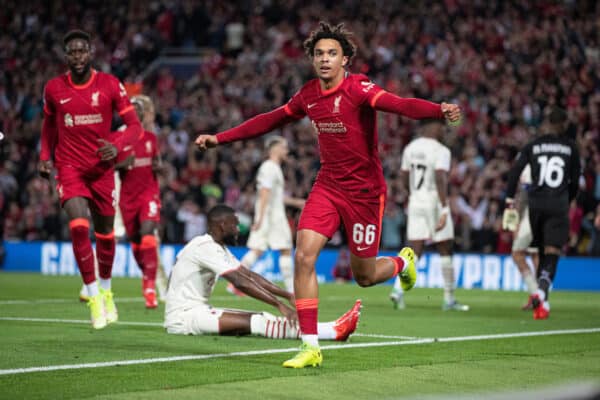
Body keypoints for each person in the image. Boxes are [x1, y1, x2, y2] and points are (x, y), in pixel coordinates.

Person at [195, 22, 461, 368]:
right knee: (304, 256)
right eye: (319, 53)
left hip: (364, 193)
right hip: (328, 186)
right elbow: (269, 120)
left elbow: (398, 105)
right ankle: (310, 346)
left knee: (363, 277)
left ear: (345, 60)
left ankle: (402, 262)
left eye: (332, 53)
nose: (324, 59)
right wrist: (221, 138)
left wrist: (436, 110)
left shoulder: (359, 88)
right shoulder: (308, 95)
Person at [38, 29, 143, 329]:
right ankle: (94, 296)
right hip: (69, 167)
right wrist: (45, 156)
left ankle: (107, 290)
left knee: (106, 235)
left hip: (102, 170)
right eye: (72, 52)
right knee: (78, 226)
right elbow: (49, 126)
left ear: (91, 52)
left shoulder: (110, 84)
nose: (77, 57)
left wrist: (118, 145)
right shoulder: (54, 88)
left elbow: (134, 126)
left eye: (82, 51)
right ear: (65, 56)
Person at [164, 204, 361, 343]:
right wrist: (280, 305)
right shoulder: (204, 247)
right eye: (234, 225)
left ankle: (332, 329)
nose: (238, 230)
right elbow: (240, 282)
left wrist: (286, 295)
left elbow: (249, 276)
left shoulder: (217, 248)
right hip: (184, 318)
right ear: (222, 226)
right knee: (260, 321)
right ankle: (333, 331)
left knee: (259, 319)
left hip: (195, 312)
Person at [504, 106, 581, 320]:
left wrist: (511, 206)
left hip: (534, 208)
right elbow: (574, 182)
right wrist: (568, 200)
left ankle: (537, 294)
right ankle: (541, 294)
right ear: (563, 124)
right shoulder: (569, 148)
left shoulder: (533, 151)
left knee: (526, 252)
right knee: (546, 252)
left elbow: (520, 184)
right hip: (556, 204)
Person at [389, 120, 468, 312]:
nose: (444, 130)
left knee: (415, 251)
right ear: (433, 127)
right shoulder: (441, 150)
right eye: (442, 127)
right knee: (445, 249)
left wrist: (412, 194)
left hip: (416, 201)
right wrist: (444, 208)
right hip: (434, 201)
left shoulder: (411, 147)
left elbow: (404, 176)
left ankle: (397, 290)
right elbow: (440, 177)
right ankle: (449, 299)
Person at [235, 136, 305, 294]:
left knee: (257, 250)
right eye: (284, 147)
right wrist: (260, 217)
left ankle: (236, 282)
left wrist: (296, 202)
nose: (287, 151)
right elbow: (264, 192)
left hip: (269, 212)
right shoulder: (270, 167)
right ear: (276, 149)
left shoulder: (271, 167)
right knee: (285, 248)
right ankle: (291, 289)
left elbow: (274, 196)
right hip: (272, 215)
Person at [509, 165, 540, 310]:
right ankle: (540, 296)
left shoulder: (528, 166)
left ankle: (535, 294)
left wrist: (518, 221)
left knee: (517, 253)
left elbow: (524, 195)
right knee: (535, 254)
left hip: (530, 213)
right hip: (548, 211)